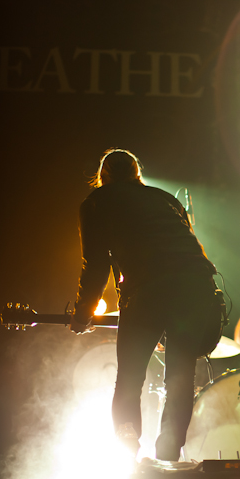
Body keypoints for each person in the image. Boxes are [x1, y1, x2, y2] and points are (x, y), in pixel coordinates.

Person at [69, 148, 223, 461]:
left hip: (147, 288)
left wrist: (84, 312)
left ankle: (127, 444)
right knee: (180, 375)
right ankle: (168, 454)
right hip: (197, 286)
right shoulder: (166, 199)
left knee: (129, 375)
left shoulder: (96, 202)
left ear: (104, 177)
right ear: (137, 174)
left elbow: (96, 263)